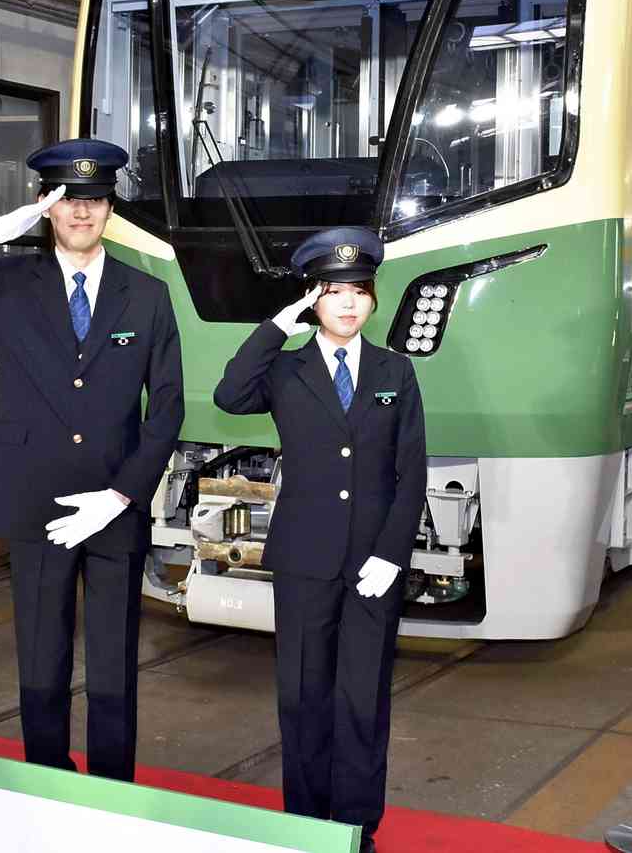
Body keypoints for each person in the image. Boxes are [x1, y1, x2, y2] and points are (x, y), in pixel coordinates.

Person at [0, 138, 184, 782]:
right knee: (42, 657)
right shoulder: (4, 284)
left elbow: (166, 406)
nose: (83, 212)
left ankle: (112, 788)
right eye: (68, 200)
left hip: (114, 501)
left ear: (111, 210)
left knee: (113, 661)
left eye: (95, 200)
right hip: (37, 498)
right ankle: (46, 782)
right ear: (44, 207)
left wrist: (124, 493)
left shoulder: (148, 294)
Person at [214, 227, 427, 853]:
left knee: (362, 703)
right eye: (334, 292)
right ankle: (304, 828)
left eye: (360, 291)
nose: (350, 304)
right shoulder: (285, 369)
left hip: (372, 566)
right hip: (305, 560)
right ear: (314, 299)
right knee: (304, 699)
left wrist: (392, 554)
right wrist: (278, 324)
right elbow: (230, 395)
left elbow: (409, 468)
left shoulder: (396, 371)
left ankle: (356, 831)